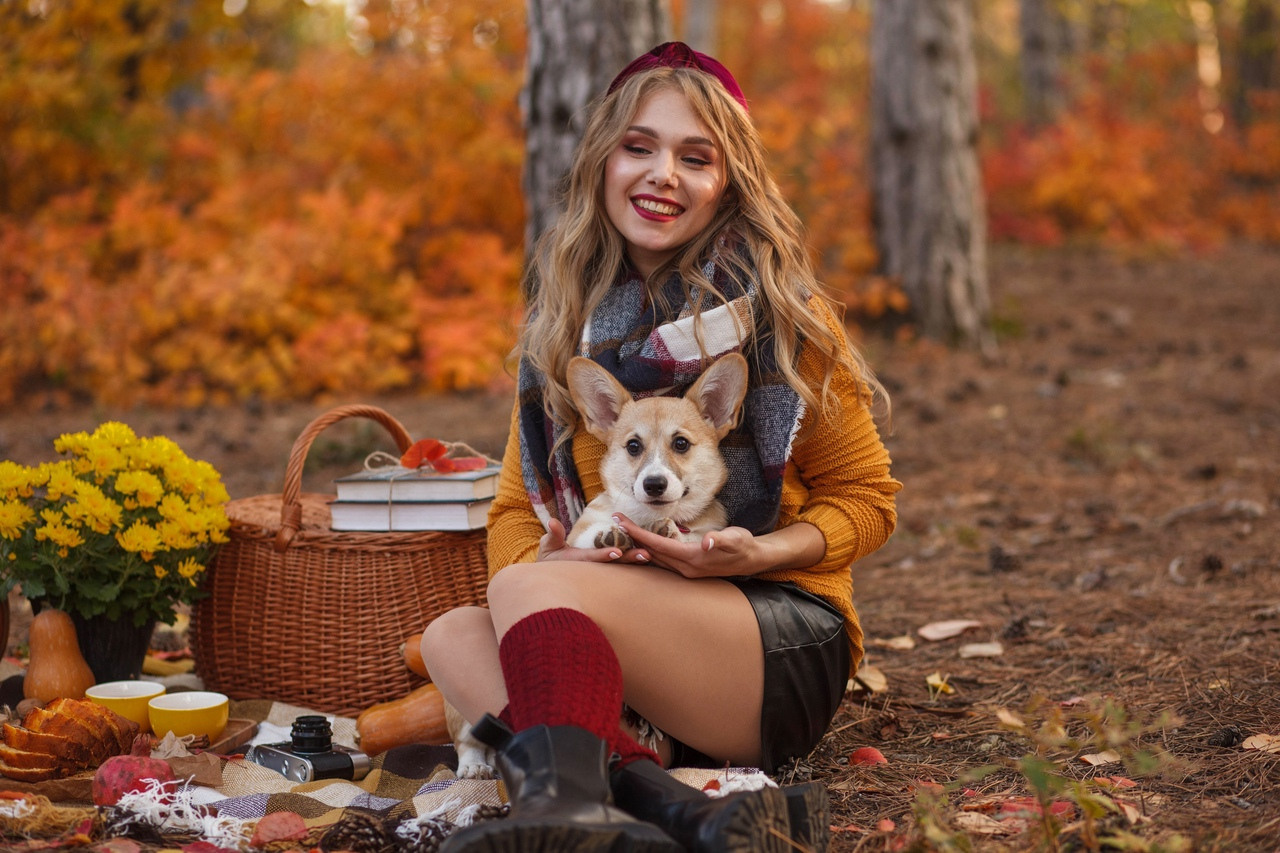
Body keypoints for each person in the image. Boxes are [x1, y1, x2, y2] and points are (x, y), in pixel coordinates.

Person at [423, 41, 901, 853]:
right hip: (625, 623)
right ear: (604, 162)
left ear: (728, 181)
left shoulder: (782, 316)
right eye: (639, 147)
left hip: (773, 637)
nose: (662, 175)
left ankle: (565, 814)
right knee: (454, 636)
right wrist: (552, 566)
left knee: (528, 595)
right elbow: (511, 507)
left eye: (694, 157)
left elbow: (869, 500)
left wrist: (753, 553)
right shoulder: (564, 328)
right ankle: (682, 811)